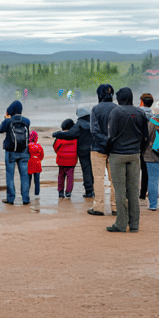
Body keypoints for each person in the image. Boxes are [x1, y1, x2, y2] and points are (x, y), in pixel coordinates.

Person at [105, 87, 149, 233]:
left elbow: (111, 136)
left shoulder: (116, 112)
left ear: (121, 98)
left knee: (120, 192)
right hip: (134, 155)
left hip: (118, 155)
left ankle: (121, 224)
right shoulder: (140, 112)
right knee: (133, 191)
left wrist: (107, 152)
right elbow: (145, 137)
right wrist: (139, 151)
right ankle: (134, 224)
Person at [88, 84, 118, 217]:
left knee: (99, 179)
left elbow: (94, 130)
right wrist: (111, 143)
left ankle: (98, 207)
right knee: (114, 179)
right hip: (114, 150)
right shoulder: (117, 109)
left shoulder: (95, 109)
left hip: (97, 149)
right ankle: (115, 207)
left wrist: (104, 142)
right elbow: (118, 131)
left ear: (99, 95)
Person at [53, 106, 93, 198]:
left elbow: (68, 134)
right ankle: (95, 190)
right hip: (94, 149)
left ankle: (89, 191)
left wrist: (56, 134)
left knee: (86, 170)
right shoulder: (93, 123)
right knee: (94, 171)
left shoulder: (79, 125)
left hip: (83, 152)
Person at [0, 100, 31, 205]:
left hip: (11, 151)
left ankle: (11, 198)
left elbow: (0, 130)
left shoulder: (8, 121)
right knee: (24, 175)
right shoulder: (27, 121)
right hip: (24, 151)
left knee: (10, 175)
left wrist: (5, 119)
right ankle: (26, 199)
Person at [53, 119, 77, 199]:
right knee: (70, 176)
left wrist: (59, 153)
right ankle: (68, 192)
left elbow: (55, 147)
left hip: (61, 160)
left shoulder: (59, 137)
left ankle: (60, 192)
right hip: (72, 160)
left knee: (61, 176)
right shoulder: (75, 137)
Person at [138, 93, 154, 200]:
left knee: (133, 171)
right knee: (145, 170)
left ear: (142, 102)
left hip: (136, 145)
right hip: (149, 146)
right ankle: (143, 193)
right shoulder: (153, 116)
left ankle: (131, 193)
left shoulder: (137, 113)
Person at [27, 131, 44, 197]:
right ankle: (37, 194)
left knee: (28, 180)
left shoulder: (28, 146)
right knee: (37, 181)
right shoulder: (39, 146)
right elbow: (41, 156)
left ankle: (27, 192)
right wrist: (38, 159)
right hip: (37, 164)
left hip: (29, 163)